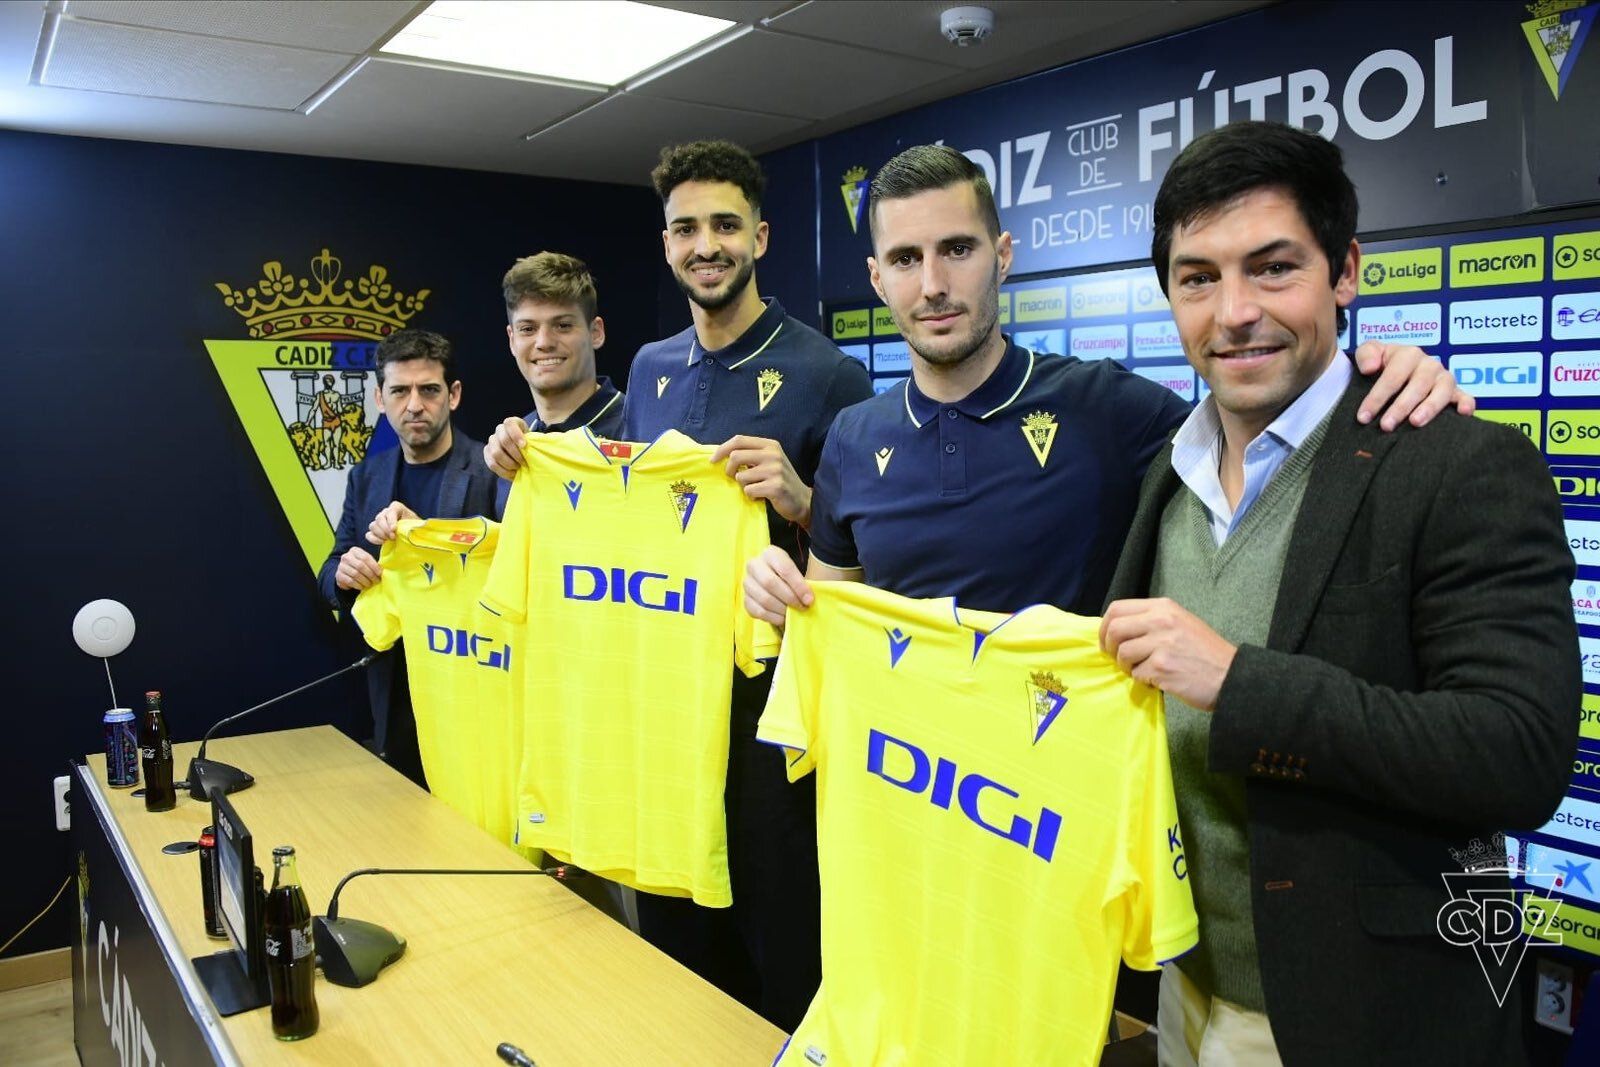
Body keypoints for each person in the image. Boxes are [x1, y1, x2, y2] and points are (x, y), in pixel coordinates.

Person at [1096, 120, 1578, 1066]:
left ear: (1345, 271)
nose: (1233, 311)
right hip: (1185, 991)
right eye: (1198, 278)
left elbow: (1518, 754)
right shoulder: (1166, 471)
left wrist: (1240, 683)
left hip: (1370, 1015)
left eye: (1273, 268)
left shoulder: (1458, 462)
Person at [743, 142, 1466, 623]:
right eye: (904, 259)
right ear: (876, 278)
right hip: (909, 807)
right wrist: (784, 597)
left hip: (1072, 816)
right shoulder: (851, 437)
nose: (932, 284)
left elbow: (1260, 413)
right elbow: (835, 619)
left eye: (957, 249)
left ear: (1002, 256)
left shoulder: (1109, 407)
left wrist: (1376, 374)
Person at [486, 140, 872, 1030]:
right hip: (658, 701)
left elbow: (874, 558)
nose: (707, 245)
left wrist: (804, 504)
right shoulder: (650, 372)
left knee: (783, 943)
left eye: (725, 225)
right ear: (665, 245)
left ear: (761, 237)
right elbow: (615, 499)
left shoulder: (830, 373)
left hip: (769, 712)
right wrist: (524, 463)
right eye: (687, 228)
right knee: (671, 939)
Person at [317, 329, 498, 786]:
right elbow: (331, 567)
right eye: (399, 391)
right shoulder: (367, 476)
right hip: (394, 690)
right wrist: (345, 573)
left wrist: (425, 541)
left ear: (453, 395)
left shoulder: (490, 470)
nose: (414, 405)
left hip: (471, 686)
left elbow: (514, 566)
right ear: (380, 398)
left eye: (429, 390)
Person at [491, 251, 625, 515]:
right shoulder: (510, 447)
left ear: (595, 332)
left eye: (562, 326)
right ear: (511, 340)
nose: (544, 342)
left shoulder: (640, 427)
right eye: (528, 329)